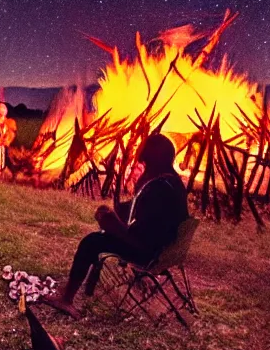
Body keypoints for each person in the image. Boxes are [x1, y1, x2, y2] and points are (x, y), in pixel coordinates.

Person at [44, 134, 189, 319]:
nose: (141, 163)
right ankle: (79, 289)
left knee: (92, 241)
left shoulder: (159, 189)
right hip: (164, 250)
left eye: (144, 160)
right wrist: (119, 210)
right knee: (102, 235)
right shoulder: (172, 183)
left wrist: (112, 226)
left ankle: (66, 300)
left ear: (152, 159)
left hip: (150, 254)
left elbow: (141, 240)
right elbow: (140, 214)